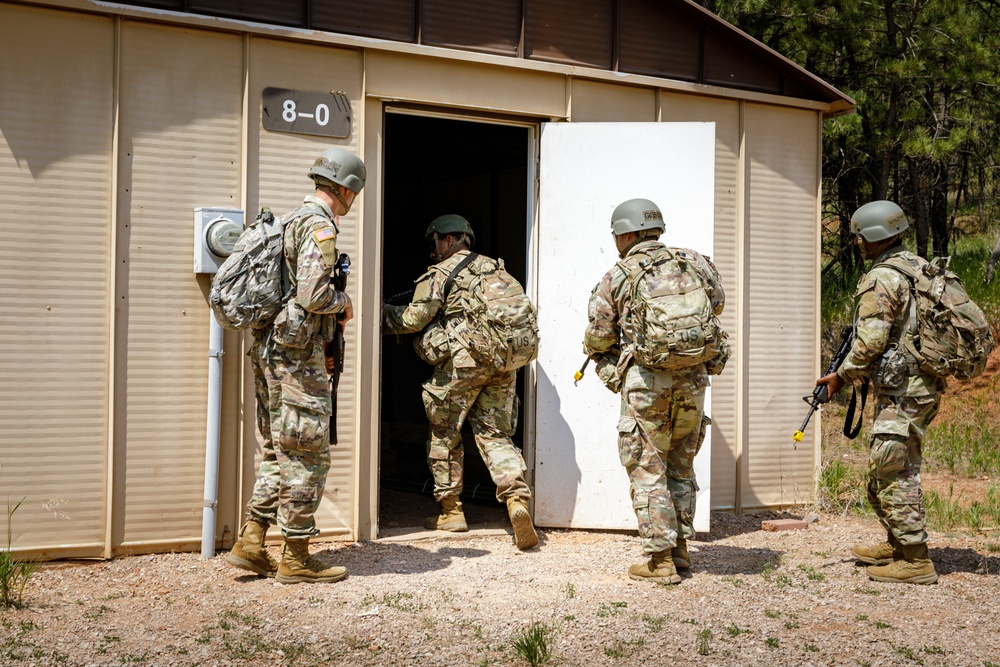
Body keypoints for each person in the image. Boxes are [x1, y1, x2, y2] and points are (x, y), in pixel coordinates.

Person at [227, 147, 366, 584]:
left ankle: (252, 541)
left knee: (276, 449)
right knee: (307, 454)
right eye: (353, 193)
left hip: (269, 351)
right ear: (344, 189)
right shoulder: (319, 225)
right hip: (296, 360)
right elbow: (313, 295)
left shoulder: (287, 220)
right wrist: (345, 304)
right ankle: (297, 557)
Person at [583, 198, 727, 585]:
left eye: (617, 234)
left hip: (647, 387)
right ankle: (680, 548)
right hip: (694, 380)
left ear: (628, 233)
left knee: (648, 469)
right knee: (680, 466)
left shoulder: (618, 275)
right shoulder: (694, 262)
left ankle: (659, 558)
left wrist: (608, 363)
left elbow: (598, 336)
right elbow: (717, 304)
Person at [381, 214, 539, 550]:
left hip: (463, 364)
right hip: (501, 364)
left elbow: (413, 319)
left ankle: (451, 512)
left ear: (448, 240)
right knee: (496, 434)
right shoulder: (498, 271)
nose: (433, 249)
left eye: (435, 242)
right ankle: (516, 501)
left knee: (444, 430)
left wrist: (378, 315)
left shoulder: (439, 274)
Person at [815, 200, 943, 585]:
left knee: (892, 470)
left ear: (873, 237)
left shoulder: (883, 277)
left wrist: (840, 376)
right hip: (918, 385)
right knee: (892, 465)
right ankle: (898, 544)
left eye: (859, 236)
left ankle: (916, 561)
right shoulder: (918, 266)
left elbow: (870, 342)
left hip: (904, 390)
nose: (856, 242)